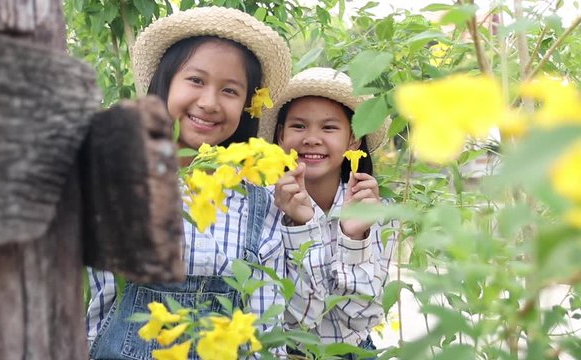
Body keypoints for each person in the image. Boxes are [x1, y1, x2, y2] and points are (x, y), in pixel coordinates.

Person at [85, 7, 292, 360]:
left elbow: (264, 330)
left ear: (246, 106)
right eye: (195, 80)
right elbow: (98, 303)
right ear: (163, 85)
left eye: (230, 90)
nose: (209, 102)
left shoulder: (262, 202)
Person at [259, 67, 396, 359]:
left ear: (353, 141)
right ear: (280, 136)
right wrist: (300, 224)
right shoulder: (264, 205)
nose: (311, 138)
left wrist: (355, 236)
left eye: (329, 128)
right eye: (298, 126)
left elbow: (363, 315)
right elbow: (300, 318)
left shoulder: (379, 214)